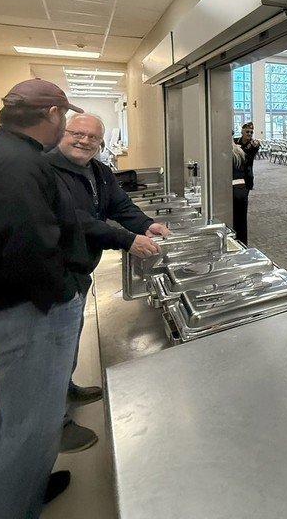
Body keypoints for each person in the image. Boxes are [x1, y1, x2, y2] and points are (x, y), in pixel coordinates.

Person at [0, 79, 92, 517]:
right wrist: (64, 294)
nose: (65, 124)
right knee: (33, 426)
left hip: (1, 306)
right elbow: (28, 244)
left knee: (9, 414)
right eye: (64, 116)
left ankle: (3, 499)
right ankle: (12, 509)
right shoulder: (20, 163)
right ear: (52, 114)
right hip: (30, 312)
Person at [45, 113, 170, 453]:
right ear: (62, 133)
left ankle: (66, 389)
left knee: (68, 338)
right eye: (77, 133)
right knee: (51, 349)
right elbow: (74, 221)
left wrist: (145, 224)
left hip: (79, 267)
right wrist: (126, 239)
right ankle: (54, 425)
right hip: (53, 271)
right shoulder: (46, 170)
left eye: (93, 138)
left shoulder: (98, 171)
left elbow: (119, 204)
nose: (84, 141)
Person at [232, 140, 251, 245]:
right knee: (242, 222)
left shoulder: (225, 153)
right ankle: (243, 245)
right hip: (242, 187)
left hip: (232, 187)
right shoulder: (239, 152)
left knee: (234, 222)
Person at [234, 121, 261, 190]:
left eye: (251, 132)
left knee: (245, 193)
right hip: (235, 172)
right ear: (242, 132)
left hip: (247, 173)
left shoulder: (253, 144)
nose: (249, 134)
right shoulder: (235, 141)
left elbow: (256, 146)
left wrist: (256, 145)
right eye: (247, 132)